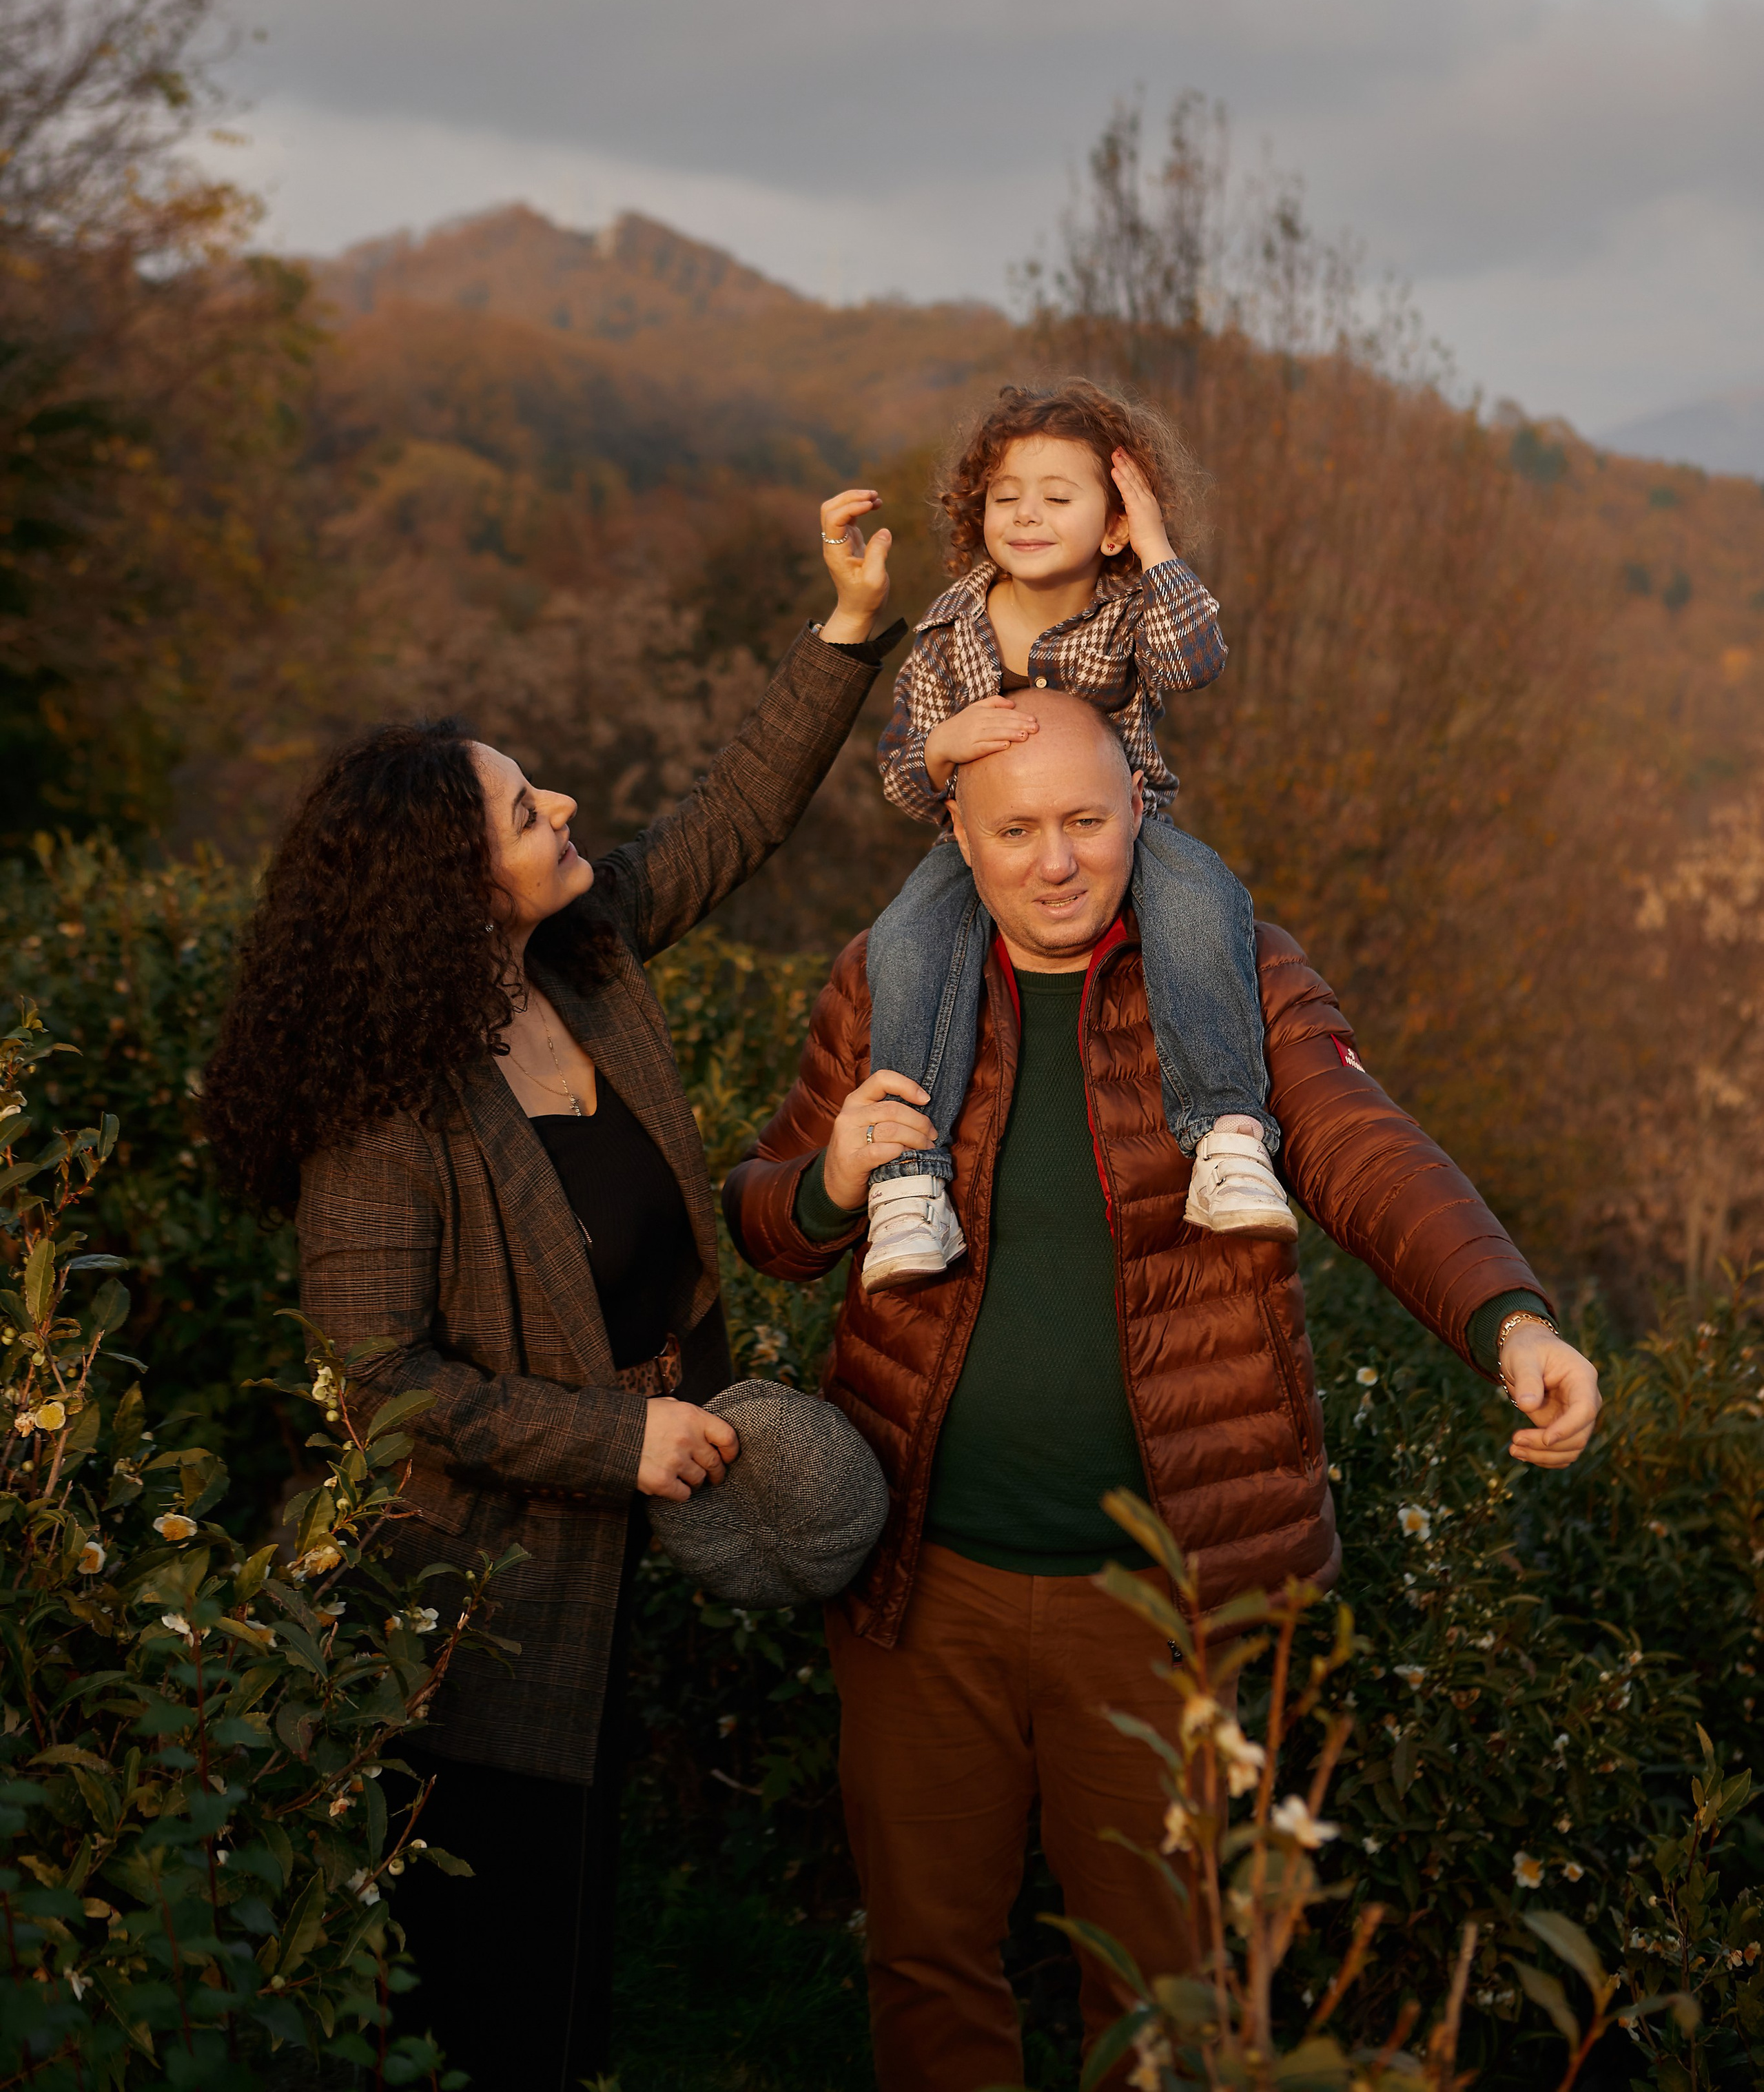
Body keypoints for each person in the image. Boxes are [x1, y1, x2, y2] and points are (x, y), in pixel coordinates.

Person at [724, 690, 1601, 2092]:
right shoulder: (886, 984)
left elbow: (1362, 1151)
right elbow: (761, 1222)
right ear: (957, 831)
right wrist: (824, 1185)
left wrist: (1506, 1319)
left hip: (1161, 1601)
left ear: (1139, 806)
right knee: (926, 1965)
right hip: (918, 1589)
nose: (1055, 861)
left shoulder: (1227, 979)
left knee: (1166, 1995)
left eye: (1084, 821)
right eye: (1015, 830)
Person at [201, 492, 899, 2092]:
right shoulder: (387, 1106)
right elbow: (378, 1377)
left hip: (614, 1557)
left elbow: (727, 820)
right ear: (451, 885)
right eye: (526, 809)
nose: (564, 805)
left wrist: (848, 629)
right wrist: (615, 1441)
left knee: (571, 1947)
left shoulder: (579, 960)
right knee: (490, 1984)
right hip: (465, 1619)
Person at [859, 376, 1290, 1294]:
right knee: (904, 939)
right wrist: (941, 748)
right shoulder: (946, 634)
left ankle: (1226, 1133)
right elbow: (899, 777)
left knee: (1203, 900)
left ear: (1111, 524)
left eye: (1059, 497)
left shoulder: (1131, 610)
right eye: (1005, 496)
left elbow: (1197, 659)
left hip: (1128, 832)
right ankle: (907, 1186)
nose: (1026, 514)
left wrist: (1157, 543)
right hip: (978, 849)